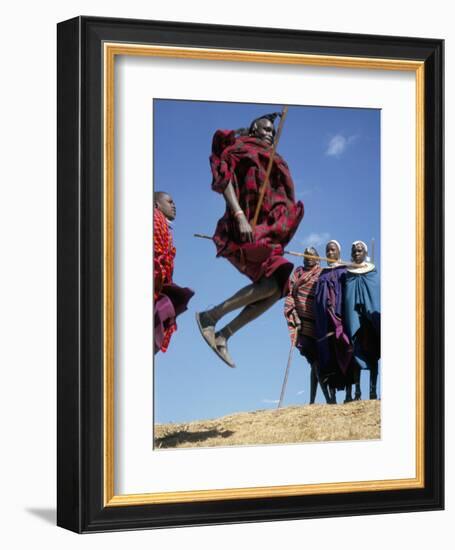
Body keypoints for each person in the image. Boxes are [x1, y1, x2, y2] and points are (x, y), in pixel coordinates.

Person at [196, 113, 304, 367]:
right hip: (245, 226)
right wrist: (239, 213)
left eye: (273, 132)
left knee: (278, 287)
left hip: (267, 230)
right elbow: (224, 180)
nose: (269, 133)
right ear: (255, 128)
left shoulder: (274, 158)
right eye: (265, 129)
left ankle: (222, 333)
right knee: (277, 279)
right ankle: (211, 317)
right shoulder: (240, 149)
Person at [284, 247, 333, 404]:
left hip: (320, 323)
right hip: (303, 324)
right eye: (305, 255)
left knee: (317, 363)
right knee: (314, 361)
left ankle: (313, 400)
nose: (308, 258)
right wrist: (295, 316)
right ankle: (327, 399)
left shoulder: (322, 273)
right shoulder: (297, 273)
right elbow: (290, 295)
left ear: (318, 259)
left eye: (311, 256)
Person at [154, 191, 194, 354]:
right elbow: (155, 256)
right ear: (157, 205)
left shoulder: (164, 226)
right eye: (170, 202)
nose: (174, 205)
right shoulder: (154, 219)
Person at [313, 240, 353, 403]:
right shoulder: (321, 274)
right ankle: (333, 396)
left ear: (339, 252)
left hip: (342, 318)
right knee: (328, 354)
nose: (329, 252)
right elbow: (317, 298)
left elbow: (349, 294)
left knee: (346, 350)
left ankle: (350, 394)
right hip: (325, 320)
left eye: (333, 250)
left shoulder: (345, 270)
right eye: (327, 250)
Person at [344, 240, 381, 400]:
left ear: (365, 253)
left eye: (359, 251)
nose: (356, 253)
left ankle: (373, 391)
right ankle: (357, 391)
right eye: (354, 251)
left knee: (373, 355)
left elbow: (374, 294)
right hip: (355, 320)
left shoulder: (372, 272)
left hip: (369, 322)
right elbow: (347, 296)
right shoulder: (348, 273)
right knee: (355, 355)